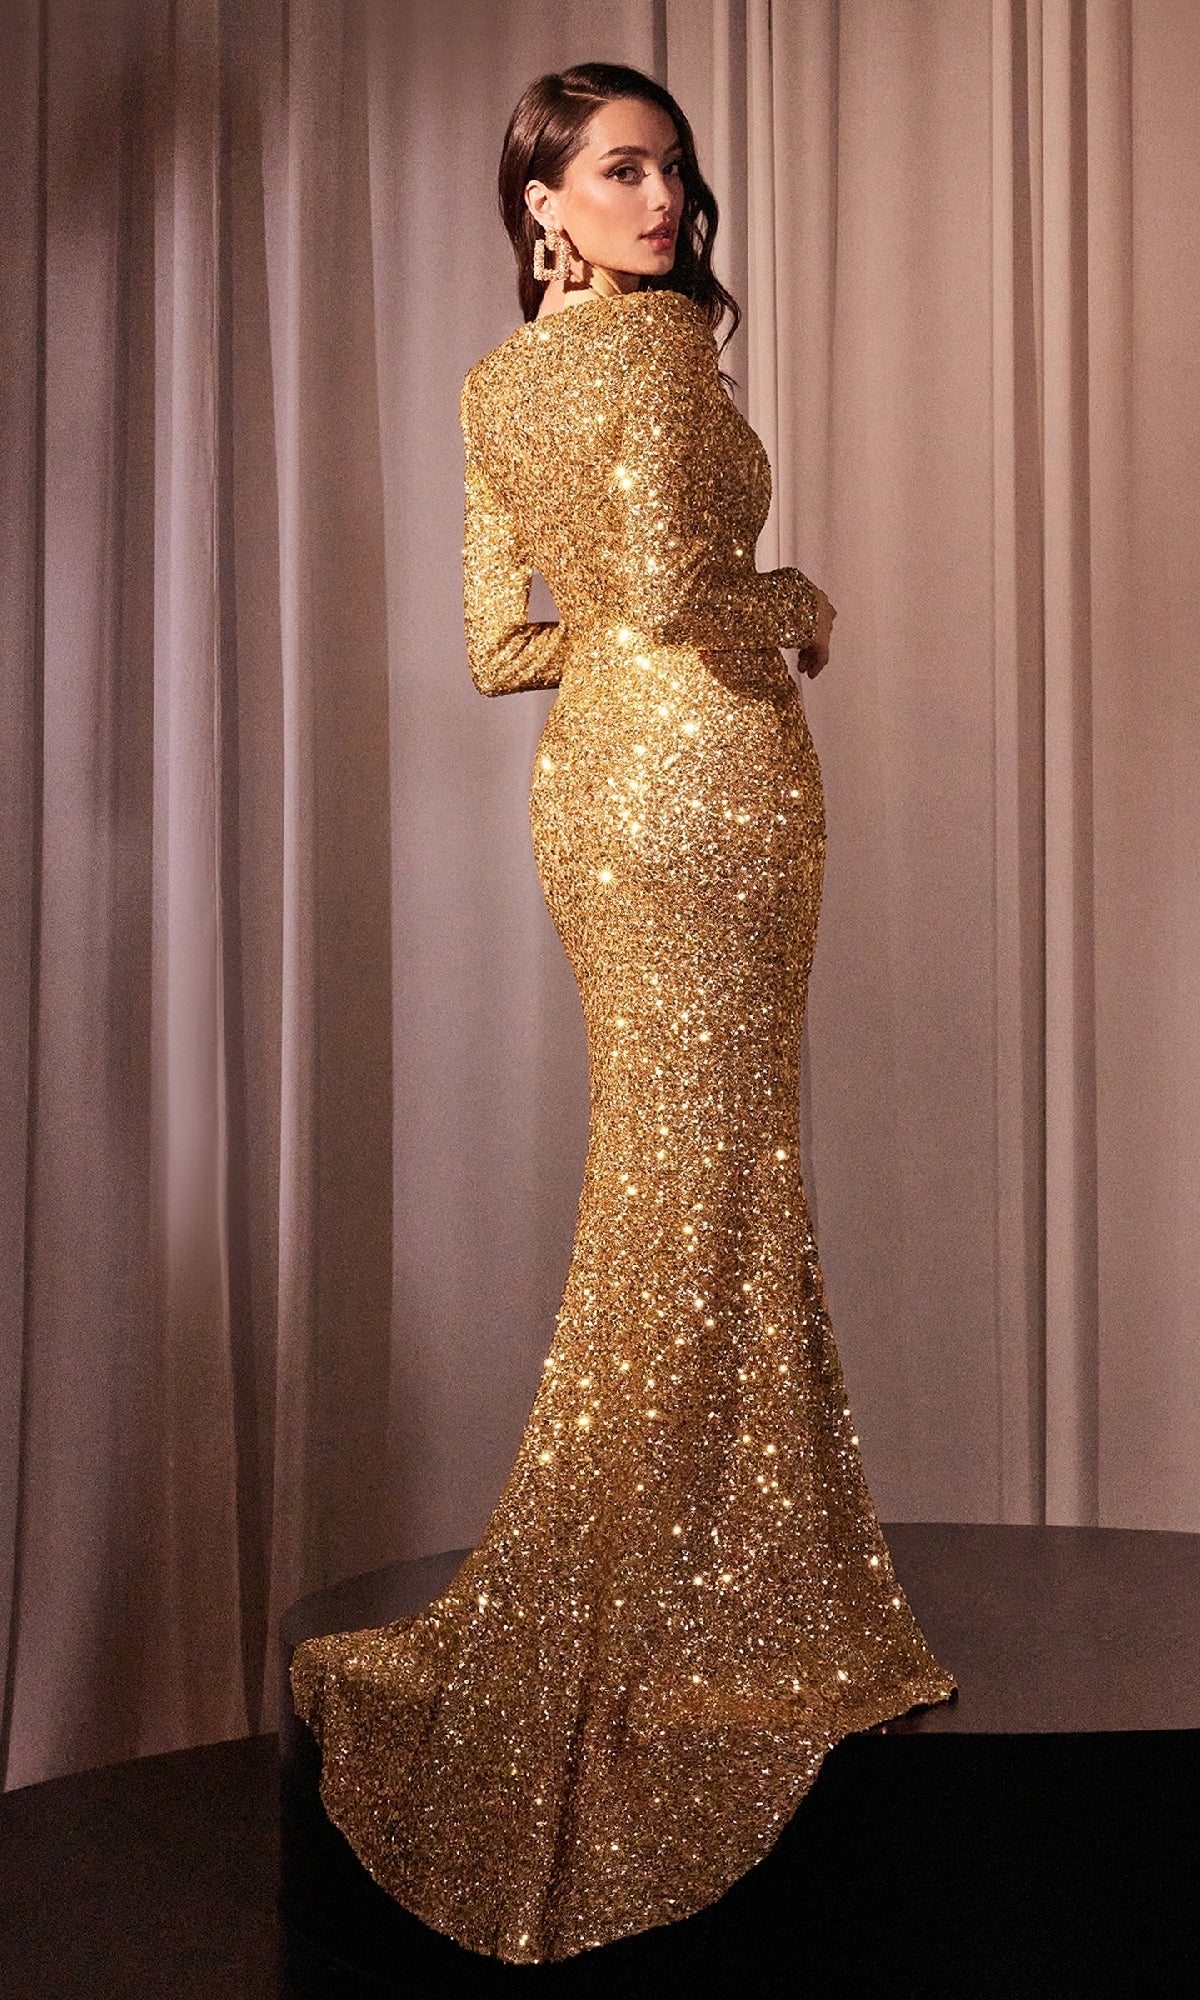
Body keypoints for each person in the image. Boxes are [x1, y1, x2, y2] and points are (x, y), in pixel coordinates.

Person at [290, 60, 955, 1966]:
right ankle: (702, 1597)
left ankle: (670, 1563)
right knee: (720, 1168)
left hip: (597, 791)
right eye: (622, 171)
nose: (663, 201)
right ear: (546, 205)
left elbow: (508, 644)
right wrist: (796, 596)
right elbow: (682, 581)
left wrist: (661, 621)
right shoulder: (663, 353)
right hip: (718, 785)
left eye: (671, 171)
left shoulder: (500, 388)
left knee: (673, 1169)